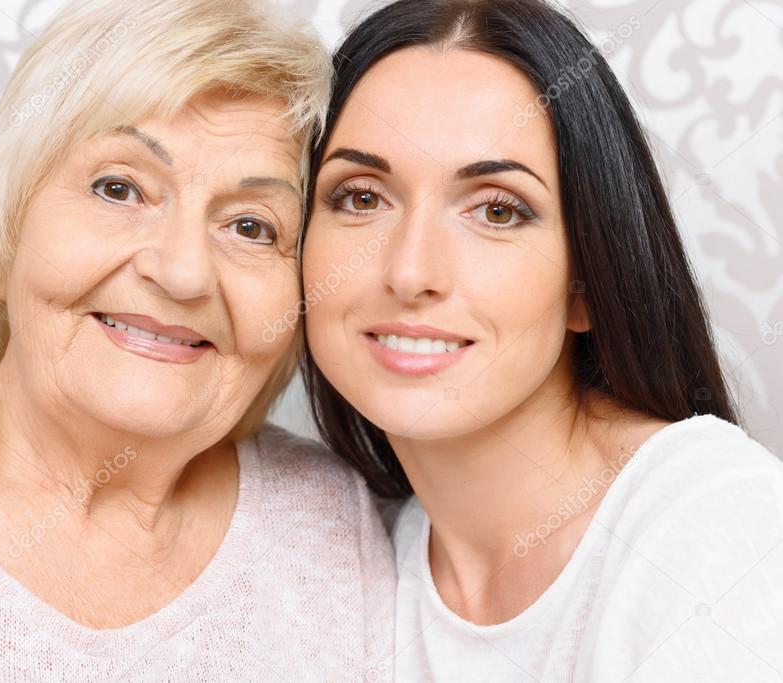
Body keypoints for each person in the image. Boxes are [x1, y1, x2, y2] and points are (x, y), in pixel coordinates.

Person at [0, 0, 396, 678]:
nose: (182, 272)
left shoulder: (327, 519)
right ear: (7, 227)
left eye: (250, 226)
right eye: (118, 187)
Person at [300, 0, 783, 679]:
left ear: (586, 283)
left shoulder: (719, 528)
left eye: (496, 210)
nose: (409, 271)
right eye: (359, 197)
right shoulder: (354, 560)